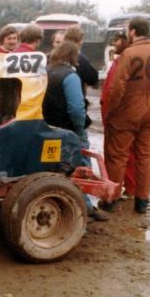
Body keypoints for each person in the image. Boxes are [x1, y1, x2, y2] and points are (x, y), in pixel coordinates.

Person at [103, 17, 150, 213]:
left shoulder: (128, 54)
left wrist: (112, 110)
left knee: (118, 156)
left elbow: (117, 87)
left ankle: (111, 198)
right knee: (144, 156)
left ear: (132, 31)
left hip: (126, 112)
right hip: (149, 112)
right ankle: (142, 200)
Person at [42, 41, 108, 221]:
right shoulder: (70, 76)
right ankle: (86, 207)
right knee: (81, 167)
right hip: (69, 129)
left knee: (52, 166)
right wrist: (79, 129)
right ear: (73, 57)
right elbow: (76, 109)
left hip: (47, 127)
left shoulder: (44, 72)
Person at [100, 32, 135, 201]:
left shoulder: (123, 61)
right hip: (124, 113)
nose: (114, 43)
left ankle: (114, 192)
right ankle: (129, 188)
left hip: (118, 115)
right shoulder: (120, 60)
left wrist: (110, 112)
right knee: (129, 154)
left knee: (117, 156)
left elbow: (114, 90)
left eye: (117, 40)